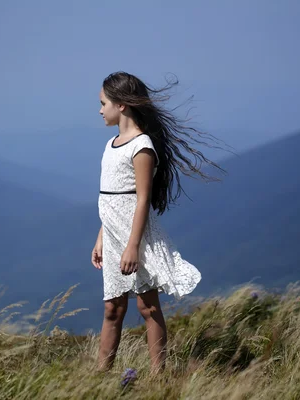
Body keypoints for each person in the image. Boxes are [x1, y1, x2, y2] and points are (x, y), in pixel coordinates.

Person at [91, 71, 224, 374]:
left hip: (135, 239)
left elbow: (141, 201)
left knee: (147, 307)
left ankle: (157, 377)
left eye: (103, 103)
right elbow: (111, 201)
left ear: (121, 104)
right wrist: (101, 238)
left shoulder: (142, 147)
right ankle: (100, 377)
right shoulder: (110, 144)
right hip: (112, 238)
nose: (100, 110)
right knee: (113, 308)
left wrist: (132, 247)